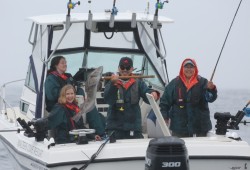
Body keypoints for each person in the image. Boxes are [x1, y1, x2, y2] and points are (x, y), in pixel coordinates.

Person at [45, 56, 105, 136]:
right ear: (56, 65)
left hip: (73, 104)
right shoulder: (51, 78)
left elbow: (77, 88)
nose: (65, 64)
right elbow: (51, 95)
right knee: (90, 110)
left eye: (66, 62)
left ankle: (99, 133)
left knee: (93, 109)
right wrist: (67, 93)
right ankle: (100, 134)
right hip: (60, 105)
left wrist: (83, 96)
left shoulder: (68, 76)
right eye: (62, 63)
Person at [104, 57, 160, 139]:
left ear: (132, 69)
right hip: (114, 129)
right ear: (118, 68)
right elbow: (108, 100)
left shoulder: (139, 83)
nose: (125, 70)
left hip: (134, 129)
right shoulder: (111, 82)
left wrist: (153, 93)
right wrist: (113, 85)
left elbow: (147, 94)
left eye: (128, 68)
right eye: (122, 67)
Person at [159, 58, 217, 137]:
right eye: (186, 67)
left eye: (191, 67)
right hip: (179, 128)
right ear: (182, 68)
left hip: (201, 128)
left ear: (195, 68)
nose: (188, 69)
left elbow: (210, 99)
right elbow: (164, 102)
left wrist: (211, 89)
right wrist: (165, 117)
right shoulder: (174, 83)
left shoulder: (203, 82)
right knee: (179, 149)